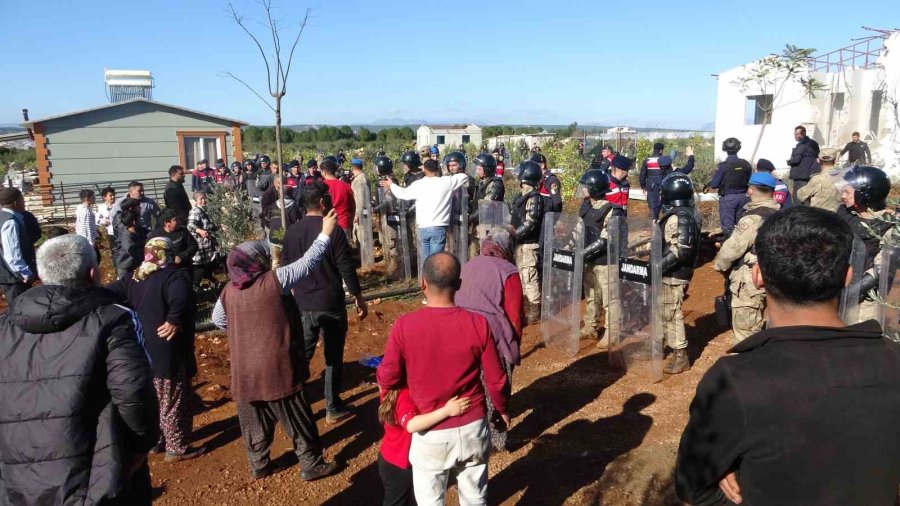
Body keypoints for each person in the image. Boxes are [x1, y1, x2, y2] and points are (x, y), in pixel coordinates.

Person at [675, 206, 900, 506]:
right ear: (848, 276)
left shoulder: (736, 378)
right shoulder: (893, 360)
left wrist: (739, 479)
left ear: (758, 277)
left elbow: (692, 487)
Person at [0, 234, 160, 504]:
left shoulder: (5, 325)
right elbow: (132, 389)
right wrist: (140, 446)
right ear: (93, 272)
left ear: (41, 274)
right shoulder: (113, 317)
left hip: (17, 476)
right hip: (95, 471)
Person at [211, 211, 341, 482]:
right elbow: (308, 263)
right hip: (277, 367)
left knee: (253, 420)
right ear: (257, 262)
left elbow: (218, 320)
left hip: (244, 371)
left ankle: (259, 464)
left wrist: (243, 331)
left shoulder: (228, 291)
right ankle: (310, 464)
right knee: (296, 416)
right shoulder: (274, 281)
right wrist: (326, 232)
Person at [377, 252, 510, 505]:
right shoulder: (478, 323)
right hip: (472, 426)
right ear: (459, 285)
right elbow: (496, 379)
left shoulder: (405, 326)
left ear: (422, 284)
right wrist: (502, 410)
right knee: (475, 497)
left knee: (430, 500)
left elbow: (388, 375)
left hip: (431, 432)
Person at [108, 237, 205, 463]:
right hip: (166, 346)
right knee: (172, 397)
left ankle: (156, 441)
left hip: (142, 347)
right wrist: (173, 319)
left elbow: (111, 291)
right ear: (166, 253)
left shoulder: (136, 277)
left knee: (154, 397)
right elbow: (180, 296)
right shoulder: (172, 275)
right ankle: (177, 447)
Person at [283, 182, 368, 423]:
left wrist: (291, 298)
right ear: (322, 202)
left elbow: (286, 269)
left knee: (302, 356)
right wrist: (358, 298)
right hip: (330, 302)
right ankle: (332, 407)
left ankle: (292, 405)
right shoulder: (333, 230)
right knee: (333, 356)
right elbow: (345, 267)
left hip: (304, 304)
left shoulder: (292, 232)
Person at [455, 226, 523, 451]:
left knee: (470, 385)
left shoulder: (470, 263)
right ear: (507, 247)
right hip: (492, 333)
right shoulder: (508, 270)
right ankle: (496, 439)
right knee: (498, 381)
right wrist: (514, 347)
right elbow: (514, 316)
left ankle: (468, 431)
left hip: (461, 329)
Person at [713, 172, 780, 343]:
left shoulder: (752, 219)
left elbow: (731, 250)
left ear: (752, 190)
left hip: (750, 280)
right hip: (773, 275)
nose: (748, 192)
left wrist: (719, 265)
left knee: (745, 332)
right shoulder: (780, 213)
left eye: (750, 188)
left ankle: (748, 365)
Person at [378, 390, 473, 506]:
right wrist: (446, 411)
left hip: (389, 456)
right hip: (400, 464)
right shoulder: (405, 395)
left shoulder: (390, 388)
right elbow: (411, 424)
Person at [835, 165, 892, 322]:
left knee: (856, 337)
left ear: (864, 196)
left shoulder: (887, 225)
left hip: (863, 301)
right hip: (836, 290)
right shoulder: (845, 213)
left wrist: (852, 292)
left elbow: (882, 269)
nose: (843, 196)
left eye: (847, 192)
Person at [381, 159, 470, 260]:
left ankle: (425, 276)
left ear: (425, 170)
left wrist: (391, 184)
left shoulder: (418, 184)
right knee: (435, 261)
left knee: (426, 260)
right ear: (437, 169)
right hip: (438, 227)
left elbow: (402, 194)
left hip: (423, 228)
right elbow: (464, 176)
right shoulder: (447, 182)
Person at [658, 173, 701, 374]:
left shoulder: (679, 216)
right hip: (671, 273)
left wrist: (657, 267)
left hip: (674, 275)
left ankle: (680, 354)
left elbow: (681, 250)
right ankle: (665, 345)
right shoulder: (685, 212)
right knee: (664, 311)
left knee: (671, 313)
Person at [578, 169, 621, 347]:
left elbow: (606, 239)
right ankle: (590, 326)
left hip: (605, 261)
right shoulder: (586, 208)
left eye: (585, 186)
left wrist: (583, 254)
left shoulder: (612, 210)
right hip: (589, 260)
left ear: (594, 188)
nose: (582, 189)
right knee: (591, 295)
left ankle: (613, 333)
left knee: (609, 299)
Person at [511, 160, 545, 324]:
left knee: (529, 277)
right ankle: (525, 307)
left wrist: (513, 235)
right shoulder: (521, 196)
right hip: (519, 244)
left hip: (529, 244)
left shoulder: (535, 198)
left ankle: (534, 309)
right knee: (520, 277)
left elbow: (531, 223)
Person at [708, 137, 752, 238]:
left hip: (728, 199)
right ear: (738, 148)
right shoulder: (746, 164)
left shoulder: (723, 166)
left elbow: (714, 185)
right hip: (744, 198)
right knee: (741, 227)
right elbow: (750, 180)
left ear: (724, 148)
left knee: (728, 229)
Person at [0, 187, 35, 307]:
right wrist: (26, 273)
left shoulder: (2, 217)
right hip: (15, 279)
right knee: (21, 311)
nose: (24, 202)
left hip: (8, 276)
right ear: (15, 202)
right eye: (22, 199)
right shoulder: (10, 222)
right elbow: (12, 255)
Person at [187, 191, 222, 283]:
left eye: (204, 198)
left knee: (212, 263)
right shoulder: (195, 211)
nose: (203, 200)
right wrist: (199, 230)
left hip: (208, 245)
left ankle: (209, 279)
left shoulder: (205, 210)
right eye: (200, 199)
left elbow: (209, 226)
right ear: (196, 201)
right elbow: (190, 225)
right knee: (200, 270)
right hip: (201, 246)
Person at [320, 159, 356, 237]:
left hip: (327, 225)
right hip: (343, 224)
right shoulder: (346, 186)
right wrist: (351, 220)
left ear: (324, 172)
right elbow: (352, 206)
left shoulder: (321, 187)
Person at [787, 125, 821, 200]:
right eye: (795, 134)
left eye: (798, 134)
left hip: (800, 176)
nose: (796, 136)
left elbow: (796, 160)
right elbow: (818, 156)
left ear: (804, 133)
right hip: (811, 175)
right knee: (808, 198)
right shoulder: (814, 143)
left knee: (799, 199)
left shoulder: (801, 145)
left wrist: (789, 162)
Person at [115, 208, 148, 280]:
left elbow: (150, 233)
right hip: (126, 268)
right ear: (134, 222)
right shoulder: (127, 237)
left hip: (136, 265)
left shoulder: (140, 230)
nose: (141, 219)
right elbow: (133, 252)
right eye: (139, 218)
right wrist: (148, 251)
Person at [639, 142, 667, 220]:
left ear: (654, 149)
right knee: (664, 203)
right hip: (662, 184)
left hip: (650, 184)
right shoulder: (664, 160)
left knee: (652, 205)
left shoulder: (647, 160)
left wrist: (643, 186)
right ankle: (665, 222)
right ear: (661, 150)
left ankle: (654, 220)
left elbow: (642, 175)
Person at [350, 158, 369, 250]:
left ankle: (364, 257)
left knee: (361, 235)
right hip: (364, 211)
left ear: (353, 168)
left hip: (361, 213)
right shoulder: (362, 177)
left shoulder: (359, 180)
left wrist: (357, 215)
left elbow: (360, 200)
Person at [75, 188, 99, 260]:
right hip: (87, 241)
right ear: (87, 199)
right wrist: (91, 242)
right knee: (95, 259)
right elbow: (86, 227)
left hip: (85, 240)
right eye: (93, 197)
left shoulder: (85, 209)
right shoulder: (85, 211)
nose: (95, 198)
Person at [96, 186, 117, 266]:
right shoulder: (101, 208)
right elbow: (97, 220)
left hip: (121, 232)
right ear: (104, 197)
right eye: (111, 195)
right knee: (115, 252)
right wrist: (104, 221)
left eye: (114, 195)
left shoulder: (118, 205)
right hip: (111, 233)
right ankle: (117, 271)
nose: (113, 197)